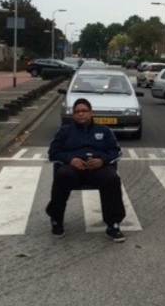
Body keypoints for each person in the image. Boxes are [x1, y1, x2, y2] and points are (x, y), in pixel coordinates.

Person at [46, 98, 127, 242]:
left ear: (91, 113)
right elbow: (53, 152)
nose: (81, 114)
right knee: (63, 175)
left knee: (112, 178)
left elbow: (116, 151)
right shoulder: (65, 131)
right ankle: (56, 219)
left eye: (84, 111)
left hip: (97, 169)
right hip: (73, 169)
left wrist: (102, 160)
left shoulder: (104, 130)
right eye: (77, 112)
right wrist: (71, 159)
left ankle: (113, 224)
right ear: (73, 115)